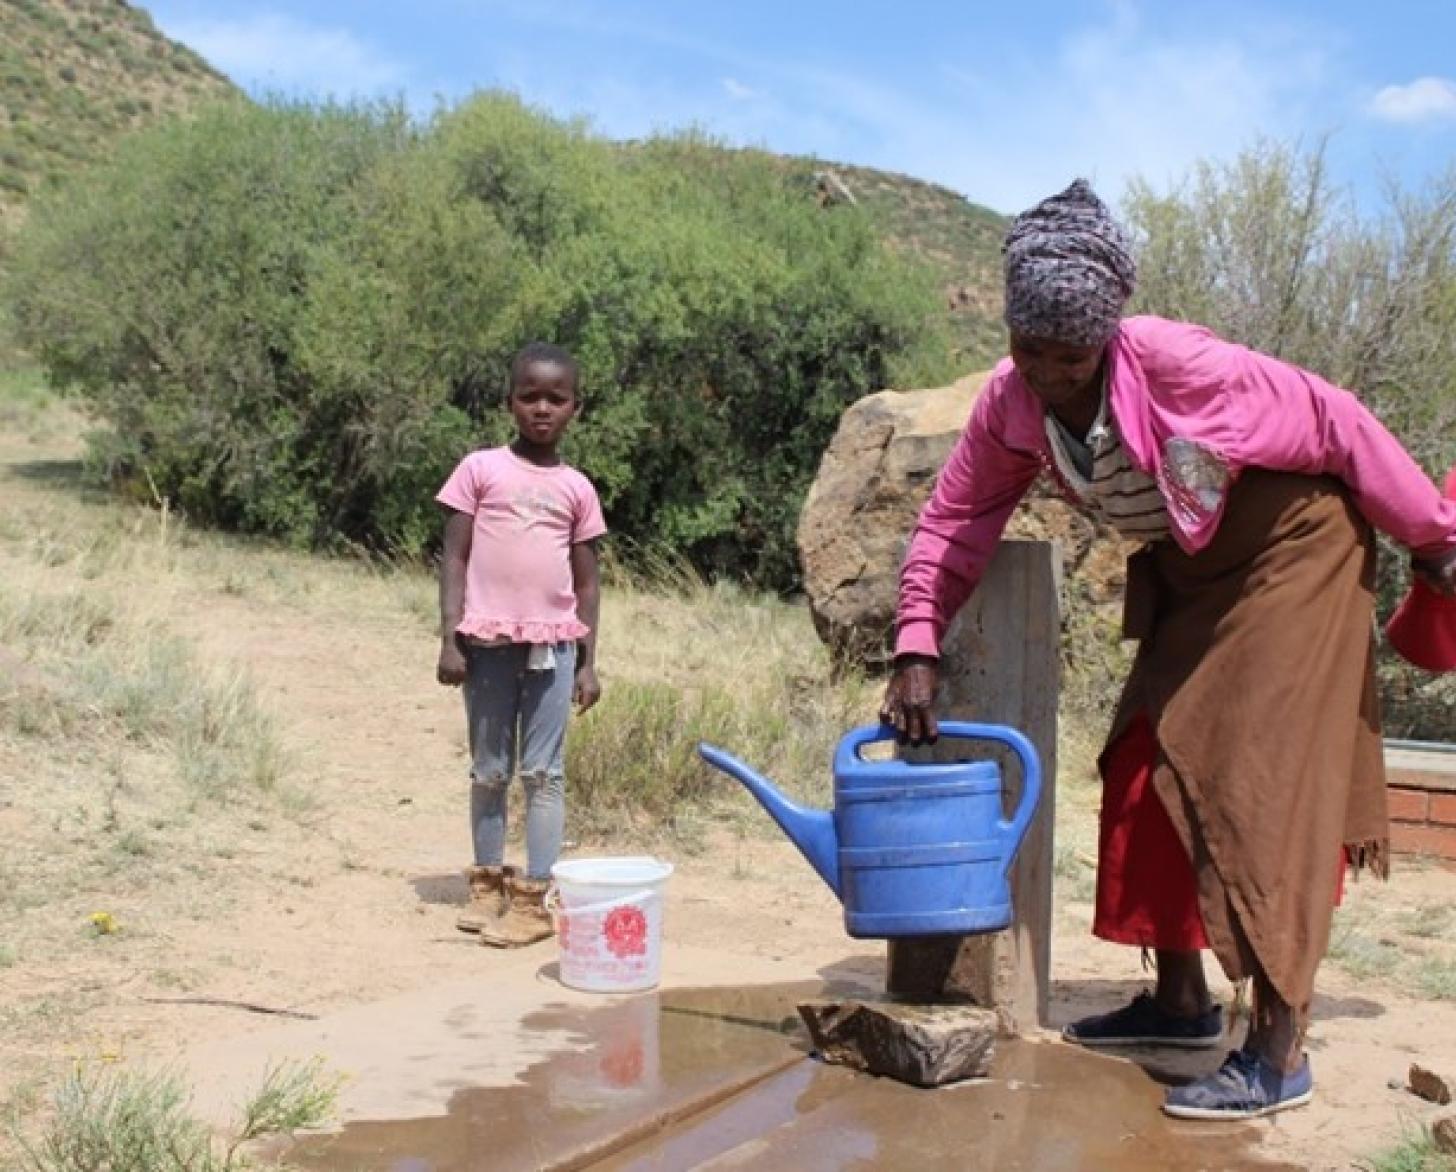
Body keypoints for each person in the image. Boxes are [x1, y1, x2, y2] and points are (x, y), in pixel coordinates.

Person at [879, 180, 1456, 1120]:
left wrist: (1434, 539)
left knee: (1249, 782)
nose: (1050, 373)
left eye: (1071, 355)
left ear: (1107, 336)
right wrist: (915, 643)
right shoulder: (1011, 402)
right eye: (1031, 350)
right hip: (1193, 569)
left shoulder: (1183, 364)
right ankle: (1181, 1001)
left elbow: (1340, 420)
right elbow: (955, 519)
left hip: (1291, 551)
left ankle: (1277, 1047)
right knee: (1146, 761)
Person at [435, 342, 606, 948]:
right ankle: (486, 886)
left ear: (574, 409)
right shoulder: (479, 470)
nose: (542, 409)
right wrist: (451, 638)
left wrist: (588, 663)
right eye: (529, 396)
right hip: (485, 645)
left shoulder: (578, 489)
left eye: (555, 399)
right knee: (489, 769)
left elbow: (587, 583)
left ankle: (534, 898)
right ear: (510, 401)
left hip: (554, 650)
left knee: (544, 772)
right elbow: (454, 557)